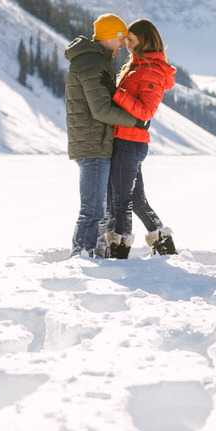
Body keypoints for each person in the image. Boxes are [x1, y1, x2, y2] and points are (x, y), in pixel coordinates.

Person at [65, 13, 144, 257]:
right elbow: (100, 110)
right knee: (92, 210)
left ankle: (96, 254)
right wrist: (136, 120)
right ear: (109, 37)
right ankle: (81, 256)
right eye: (121, 38)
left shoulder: (97, 60)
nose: (123, 44)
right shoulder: (92, 63)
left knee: (97, 208)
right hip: (93, 145)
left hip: (96, 143)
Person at [101, 18, 178, 258]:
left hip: (130, 143)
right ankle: (163, 244)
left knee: (121, 201)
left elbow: (146, 111)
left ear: (144, 40)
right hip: (125, 140)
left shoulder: (152, 71)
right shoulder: (137, 66)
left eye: (131, 39)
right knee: (136, 198)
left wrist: (116, 92)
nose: (127, 44)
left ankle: (119, 251)